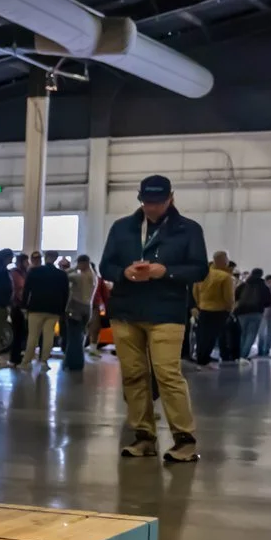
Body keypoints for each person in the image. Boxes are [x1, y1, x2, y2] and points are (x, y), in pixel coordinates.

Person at [103, 173, 208, 464]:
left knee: (167, 374)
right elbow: (106, 264)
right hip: (126, 310)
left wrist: (166, 271)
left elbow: (200, 269)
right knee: (133, 375)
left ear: (171, 199)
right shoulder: (122, 227)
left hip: (166, 311)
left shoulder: (188, 230)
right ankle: (143, 437)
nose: (152, 208)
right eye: (147, 202)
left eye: (158, 202)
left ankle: (184, 440)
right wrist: (123, 272)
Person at [22, 252, 69, 370]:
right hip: (54, 309)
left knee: (33, 336)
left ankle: (26, 362)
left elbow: (26, 290)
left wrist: (24, 306)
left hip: (35, 308)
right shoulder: (61, 275)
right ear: (55, 259)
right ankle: (44, 362)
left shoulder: (34, 272)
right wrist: (62, 310)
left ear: (45, 258)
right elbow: (66, 294)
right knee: (49, 336)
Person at [192, 250, 238, 364]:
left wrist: (199, 304)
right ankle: (205, 358)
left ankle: (200, 357)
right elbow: (228, 296)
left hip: (203, 308)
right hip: (219, 310)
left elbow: (195, 292)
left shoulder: (203, 274)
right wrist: (229, 308)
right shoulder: (225, 276)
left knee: (203, 335)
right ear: (223, 261)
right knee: (212, 336)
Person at [61, 254, 98, 374]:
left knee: (73, 337)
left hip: (75, 308)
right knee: (79, 336)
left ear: (84, 263)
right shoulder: (94, 276)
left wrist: (74, 267)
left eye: (79, 263)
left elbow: (64, 275)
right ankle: (75, 362)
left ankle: (72, 362)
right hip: (88, 308)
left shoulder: (79, 276)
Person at [234, 268, 271, 362]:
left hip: (241, 312)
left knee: (242, 334)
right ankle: (243, 356)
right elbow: (269, 302)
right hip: (256, 312)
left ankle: (238, 355)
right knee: (251, 335)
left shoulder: (243, 285)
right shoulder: (264, 287)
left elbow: (235, 296)